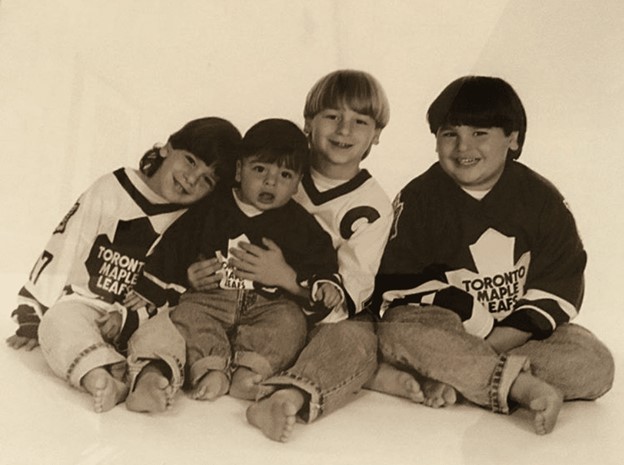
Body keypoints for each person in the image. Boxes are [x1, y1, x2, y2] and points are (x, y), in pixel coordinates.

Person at [370, 76, 615, 435]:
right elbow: (398, 289)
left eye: (480, 133)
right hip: (447, 330)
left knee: (595, 363)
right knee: (398, 334)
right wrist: (470, 323)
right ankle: (512, 385)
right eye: (449, 133)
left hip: (518, 336)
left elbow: (559, 283)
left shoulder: (540, 198)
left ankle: (461, 378)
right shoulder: (420, 198)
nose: (462, 146)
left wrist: (491, 344)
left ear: (512, 139)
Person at [6, 117, 242, 413]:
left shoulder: (195, 221)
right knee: (58, 323)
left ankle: (149, 380)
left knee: (168, 335)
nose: (192, 179)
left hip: (146, 315)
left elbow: (182, 286)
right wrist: (32, 312)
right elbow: (66, 243)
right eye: (191, 161)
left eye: (207, 179)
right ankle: (100, 376)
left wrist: (190, 280)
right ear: (168, 148)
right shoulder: (112, 187)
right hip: (87, 304)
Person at [216, 70, 393, 442]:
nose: (344, 129)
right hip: (243, 305)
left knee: (359, 339)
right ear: (308, 123)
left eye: (359, 121)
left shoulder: (373, 205)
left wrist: (286, 279)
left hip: (311, 318)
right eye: (332, 116)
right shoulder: (275, 167)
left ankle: (286, 396)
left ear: (375, 135)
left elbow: (350, 294)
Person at [127, 118, 345, 411]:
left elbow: (320, 256)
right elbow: (176, 246)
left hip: (268, 305)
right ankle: (211, 367)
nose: (271, 182)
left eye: (285, 175)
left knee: (290, 322)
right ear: (240, 170)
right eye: (260, 170)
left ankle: (251, 371)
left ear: (297, 185)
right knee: (187, 314)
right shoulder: (211, 208)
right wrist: (177, 279)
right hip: (211, 299)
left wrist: (325, 282)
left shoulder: (299, 223)